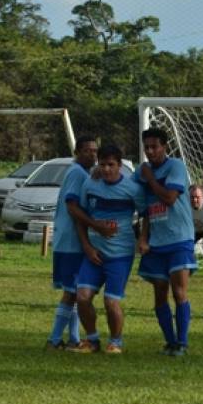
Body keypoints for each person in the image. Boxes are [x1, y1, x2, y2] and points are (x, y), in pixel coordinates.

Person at [68, 145, 145, 354]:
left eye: (111, 165)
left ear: (120, 165)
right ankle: (92, 340)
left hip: (120, 255)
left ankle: (115, 342)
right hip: (94, 253)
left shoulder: (132, 189)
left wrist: (144, 238)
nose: (107, 169)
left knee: (111, 302)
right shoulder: (90, 184)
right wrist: (87, 246)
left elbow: (146, 215)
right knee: (82, 296)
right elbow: (80, 217)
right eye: (102, 164)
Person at [134, 127, 197, 357]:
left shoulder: (175, 166)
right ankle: (170, 342)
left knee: (179, 292)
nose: (150, 151)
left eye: (155, 146)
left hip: (179, 238)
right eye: (147, 147)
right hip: (156, 242)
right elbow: (143, 205)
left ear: (165, 147)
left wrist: (150, 179)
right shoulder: (143, 171)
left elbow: (170, 198)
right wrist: (143, 236)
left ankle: (182, 342)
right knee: (159, 293)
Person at [47, 136, 102, 350]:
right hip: (72, 242)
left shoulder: (80, 173)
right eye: (88, 150)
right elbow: (72, 206)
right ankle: (53, 339)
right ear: (77, 152)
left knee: (76, 290)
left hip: (67, 241)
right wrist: (95, 226)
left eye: (95, 151)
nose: (93, 155)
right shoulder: (77, 173)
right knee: (72, 293)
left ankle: (74, 338)